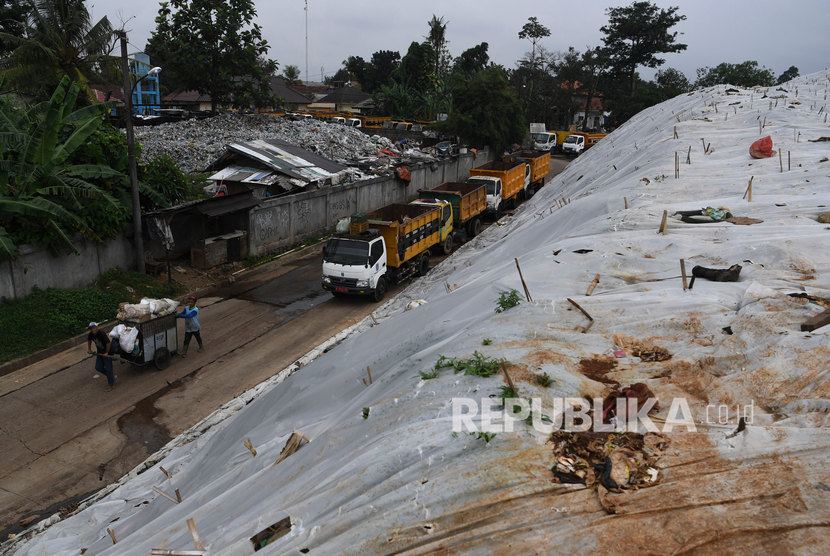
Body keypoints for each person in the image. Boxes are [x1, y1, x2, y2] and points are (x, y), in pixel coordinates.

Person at [87, 322, 114, 391]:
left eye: (94, 328)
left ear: (97, 327)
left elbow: (108, 343)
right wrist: (89, 349)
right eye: (91, 328)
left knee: (109, 369)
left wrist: (106, 352)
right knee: (98, 367)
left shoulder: (101, 333)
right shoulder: (91, 334)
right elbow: (89, 340)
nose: (93, 330)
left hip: (108, 353)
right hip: (100, 353)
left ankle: (110, 385)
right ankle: (111, 376)